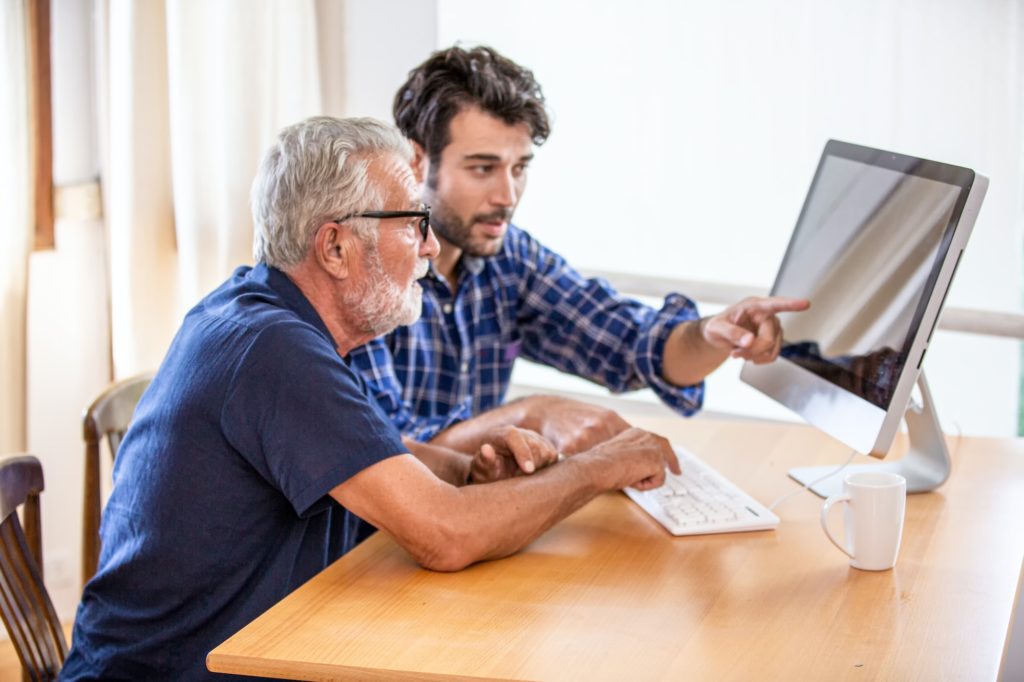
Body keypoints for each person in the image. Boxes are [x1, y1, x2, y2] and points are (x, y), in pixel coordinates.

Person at [60, 116, 679, 680]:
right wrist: (603, 466)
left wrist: (467, 468)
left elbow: (362, 456)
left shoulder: (266, 316)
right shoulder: (274, 350)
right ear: (334, 247)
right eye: (414, 224)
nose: (432, 247)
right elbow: (446, 537)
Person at [348, 45, 809, 457]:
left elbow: (632, 345)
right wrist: (531, 415)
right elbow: (388, 451)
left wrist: (712, 333)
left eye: (520, 168)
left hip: (470, 522)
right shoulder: (363, 273)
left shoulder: (508, 259)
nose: (507, 195)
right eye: (483, 168)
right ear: (416, 160)